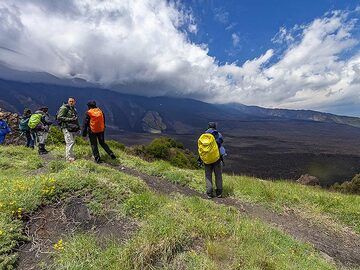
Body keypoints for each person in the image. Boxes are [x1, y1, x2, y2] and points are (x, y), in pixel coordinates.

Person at [198, 122, 226, 199]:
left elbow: (201, 149)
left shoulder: (203, 137)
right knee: (218, 176)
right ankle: (219, 193)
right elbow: (220, 142)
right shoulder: (218, 134)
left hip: (206, 159)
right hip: (216, 159)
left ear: (208, 127)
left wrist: (200, 159)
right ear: (215, 127)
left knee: (208, 176)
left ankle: (209, 193)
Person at [57, 97, 80, 162]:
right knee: (70, 142)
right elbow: (59, 117)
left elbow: (76, 119)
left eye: (72, 101)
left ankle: (71, 156)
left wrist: (78, 127)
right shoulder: (64, 108)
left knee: (71, 142)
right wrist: (70, 119)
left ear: (74, 102)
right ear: (68, 101)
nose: (71, 102)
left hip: (73, 127)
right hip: (66, 127)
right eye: (70, 101)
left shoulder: (73, 109)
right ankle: (69, 158)